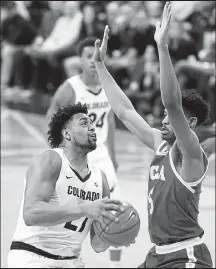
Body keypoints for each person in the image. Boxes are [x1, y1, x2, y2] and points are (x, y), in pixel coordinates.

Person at [92, 2, 213, 268]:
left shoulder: (190, 153)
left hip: (186, 256)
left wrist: (162, 46)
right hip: (158, 254)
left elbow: (172, 103)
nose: (164, 119)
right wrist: (101, 66)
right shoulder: (160, 143)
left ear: (189, 122)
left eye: (172, 118)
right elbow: (124, 111)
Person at [7, 103, 125, 268]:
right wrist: (84, 209)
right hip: (32, 256)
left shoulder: (101, 179)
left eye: (91, 123)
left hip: (71, 261)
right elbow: (31, 213)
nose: (92, 127)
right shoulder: (51, 160)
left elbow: (98, 245)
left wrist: (117, 233)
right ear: (67, 134)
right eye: (84, 123)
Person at [46, 37, 123, 267]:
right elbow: (51, 118)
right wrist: (56, 153)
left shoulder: (109, 86)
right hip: (75, 157)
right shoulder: (70, 88)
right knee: (71, 210)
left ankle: (115, 264)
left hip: (101, 157)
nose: (92, 60)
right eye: (87, 55)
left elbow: (109, 120)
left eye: (96, 55)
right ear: (79, 59)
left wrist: (113, 156)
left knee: (116, 212)